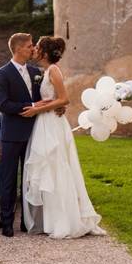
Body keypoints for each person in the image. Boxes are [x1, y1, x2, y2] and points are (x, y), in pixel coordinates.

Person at [20, 36, 106, 239]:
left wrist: (40, 109)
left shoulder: (54, 70)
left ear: (45, 52)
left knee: (57, 166)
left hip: (52, 124)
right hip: (45, 122)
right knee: (49, 168)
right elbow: (53, 99)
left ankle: (65, 220)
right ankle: (52, 219)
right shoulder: (46, 71)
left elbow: (64, 98)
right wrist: (39, 105)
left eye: (37, 47)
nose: (34, 50)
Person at [0, 33, 60, 237]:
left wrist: (58, 106)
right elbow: (3, 105)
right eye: (30, 46)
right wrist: (30, 105)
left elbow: (45, 98)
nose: (33, 49)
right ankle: (7, 223)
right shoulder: (2, 74)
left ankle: (26, 222)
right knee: (9, 179)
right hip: (12, 134)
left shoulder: (35, 71)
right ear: (19, 48)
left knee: (30, 179)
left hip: (35, 132)